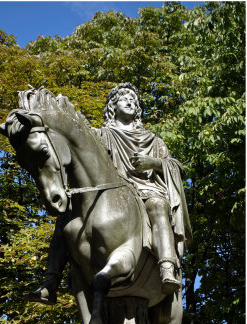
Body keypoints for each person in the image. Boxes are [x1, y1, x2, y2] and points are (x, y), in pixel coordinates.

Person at [26, 82, 192, 304]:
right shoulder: (102, 136)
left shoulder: (153, 140)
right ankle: (50, 282)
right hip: (110, 193)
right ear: (113, 106)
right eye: (125, 99)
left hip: (145, 189)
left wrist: (152, 162)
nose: (131, 103)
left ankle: (166, 267)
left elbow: (176, 167)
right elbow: (79, 152)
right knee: (66, 219)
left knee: (157, 205)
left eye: (134, 100)